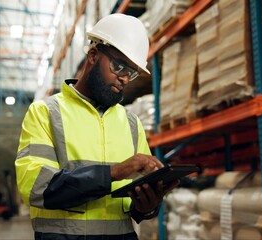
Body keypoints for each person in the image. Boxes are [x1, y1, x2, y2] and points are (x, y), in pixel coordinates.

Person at [15, 13, 179, 239]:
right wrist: (114, 173)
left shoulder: (131, 123)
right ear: (93, 55)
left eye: (130, 73)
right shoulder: (45, 113)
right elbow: (35, 188)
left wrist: (148, 204)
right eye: (119, 66)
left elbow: (136, 206)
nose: (123, 78)